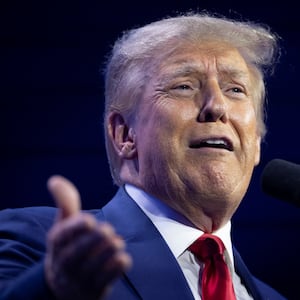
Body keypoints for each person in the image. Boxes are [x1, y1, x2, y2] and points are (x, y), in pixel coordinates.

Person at [0, 12, 287, 300]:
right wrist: (51, 290)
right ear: (124, 134)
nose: (217, 106)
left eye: (235, 89)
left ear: (256, 143)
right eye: (184, 86)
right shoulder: (40, 244)